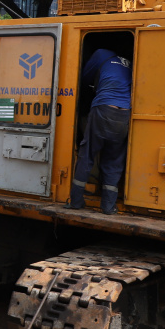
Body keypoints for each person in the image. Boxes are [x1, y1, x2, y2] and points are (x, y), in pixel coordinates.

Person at [68, 48, 132, 214]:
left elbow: (83, 78)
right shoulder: (131, 63)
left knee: (87, 153)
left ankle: (75, 201)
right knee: (114, 160)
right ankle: (109, 207)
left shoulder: (101, 54)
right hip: (125, 114)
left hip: (104, 108)